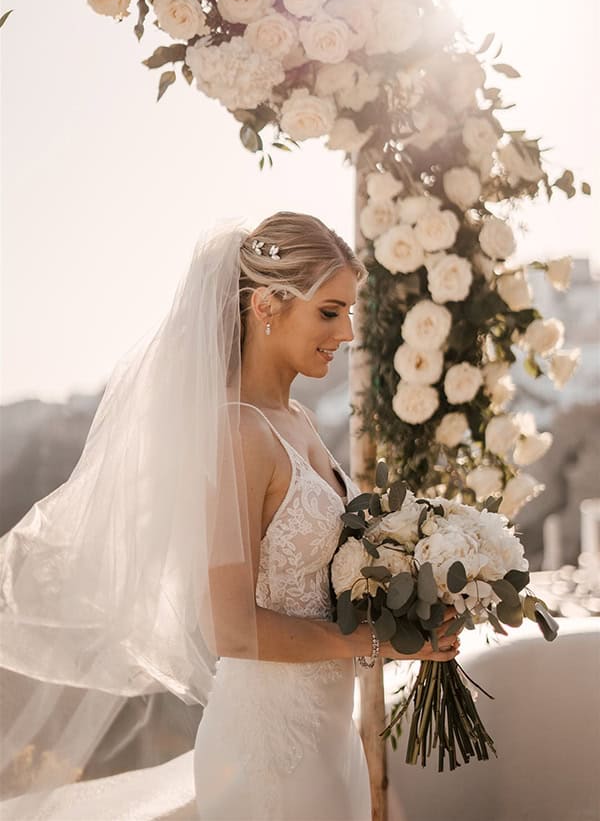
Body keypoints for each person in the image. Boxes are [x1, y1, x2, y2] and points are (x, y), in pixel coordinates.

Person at [0, 211, 459, 821]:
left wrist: (412, 598)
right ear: (266, 305)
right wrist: (381, 642)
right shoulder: (237, 432)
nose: (347, 332)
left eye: (349, 311)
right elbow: (230, 628)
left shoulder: (298, 421)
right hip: (267, 751)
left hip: (329, 733)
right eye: (329, 311)